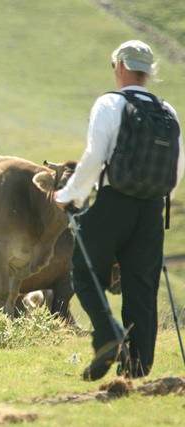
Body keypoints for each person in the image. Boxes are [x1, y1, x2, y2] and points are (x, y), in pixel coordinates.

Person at [54, 40, 184, 381]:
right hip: (153, 210)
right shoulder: (168, 112)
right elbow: (176, 171)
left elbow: (95, 157)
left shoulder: (111, 104)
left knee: (84, 272)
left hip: (115, 202)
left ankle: (108, 335)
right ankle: (137, 369)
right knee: (141, 288)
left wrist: (70, 195)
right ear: (147, 71)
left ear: (121, 66)